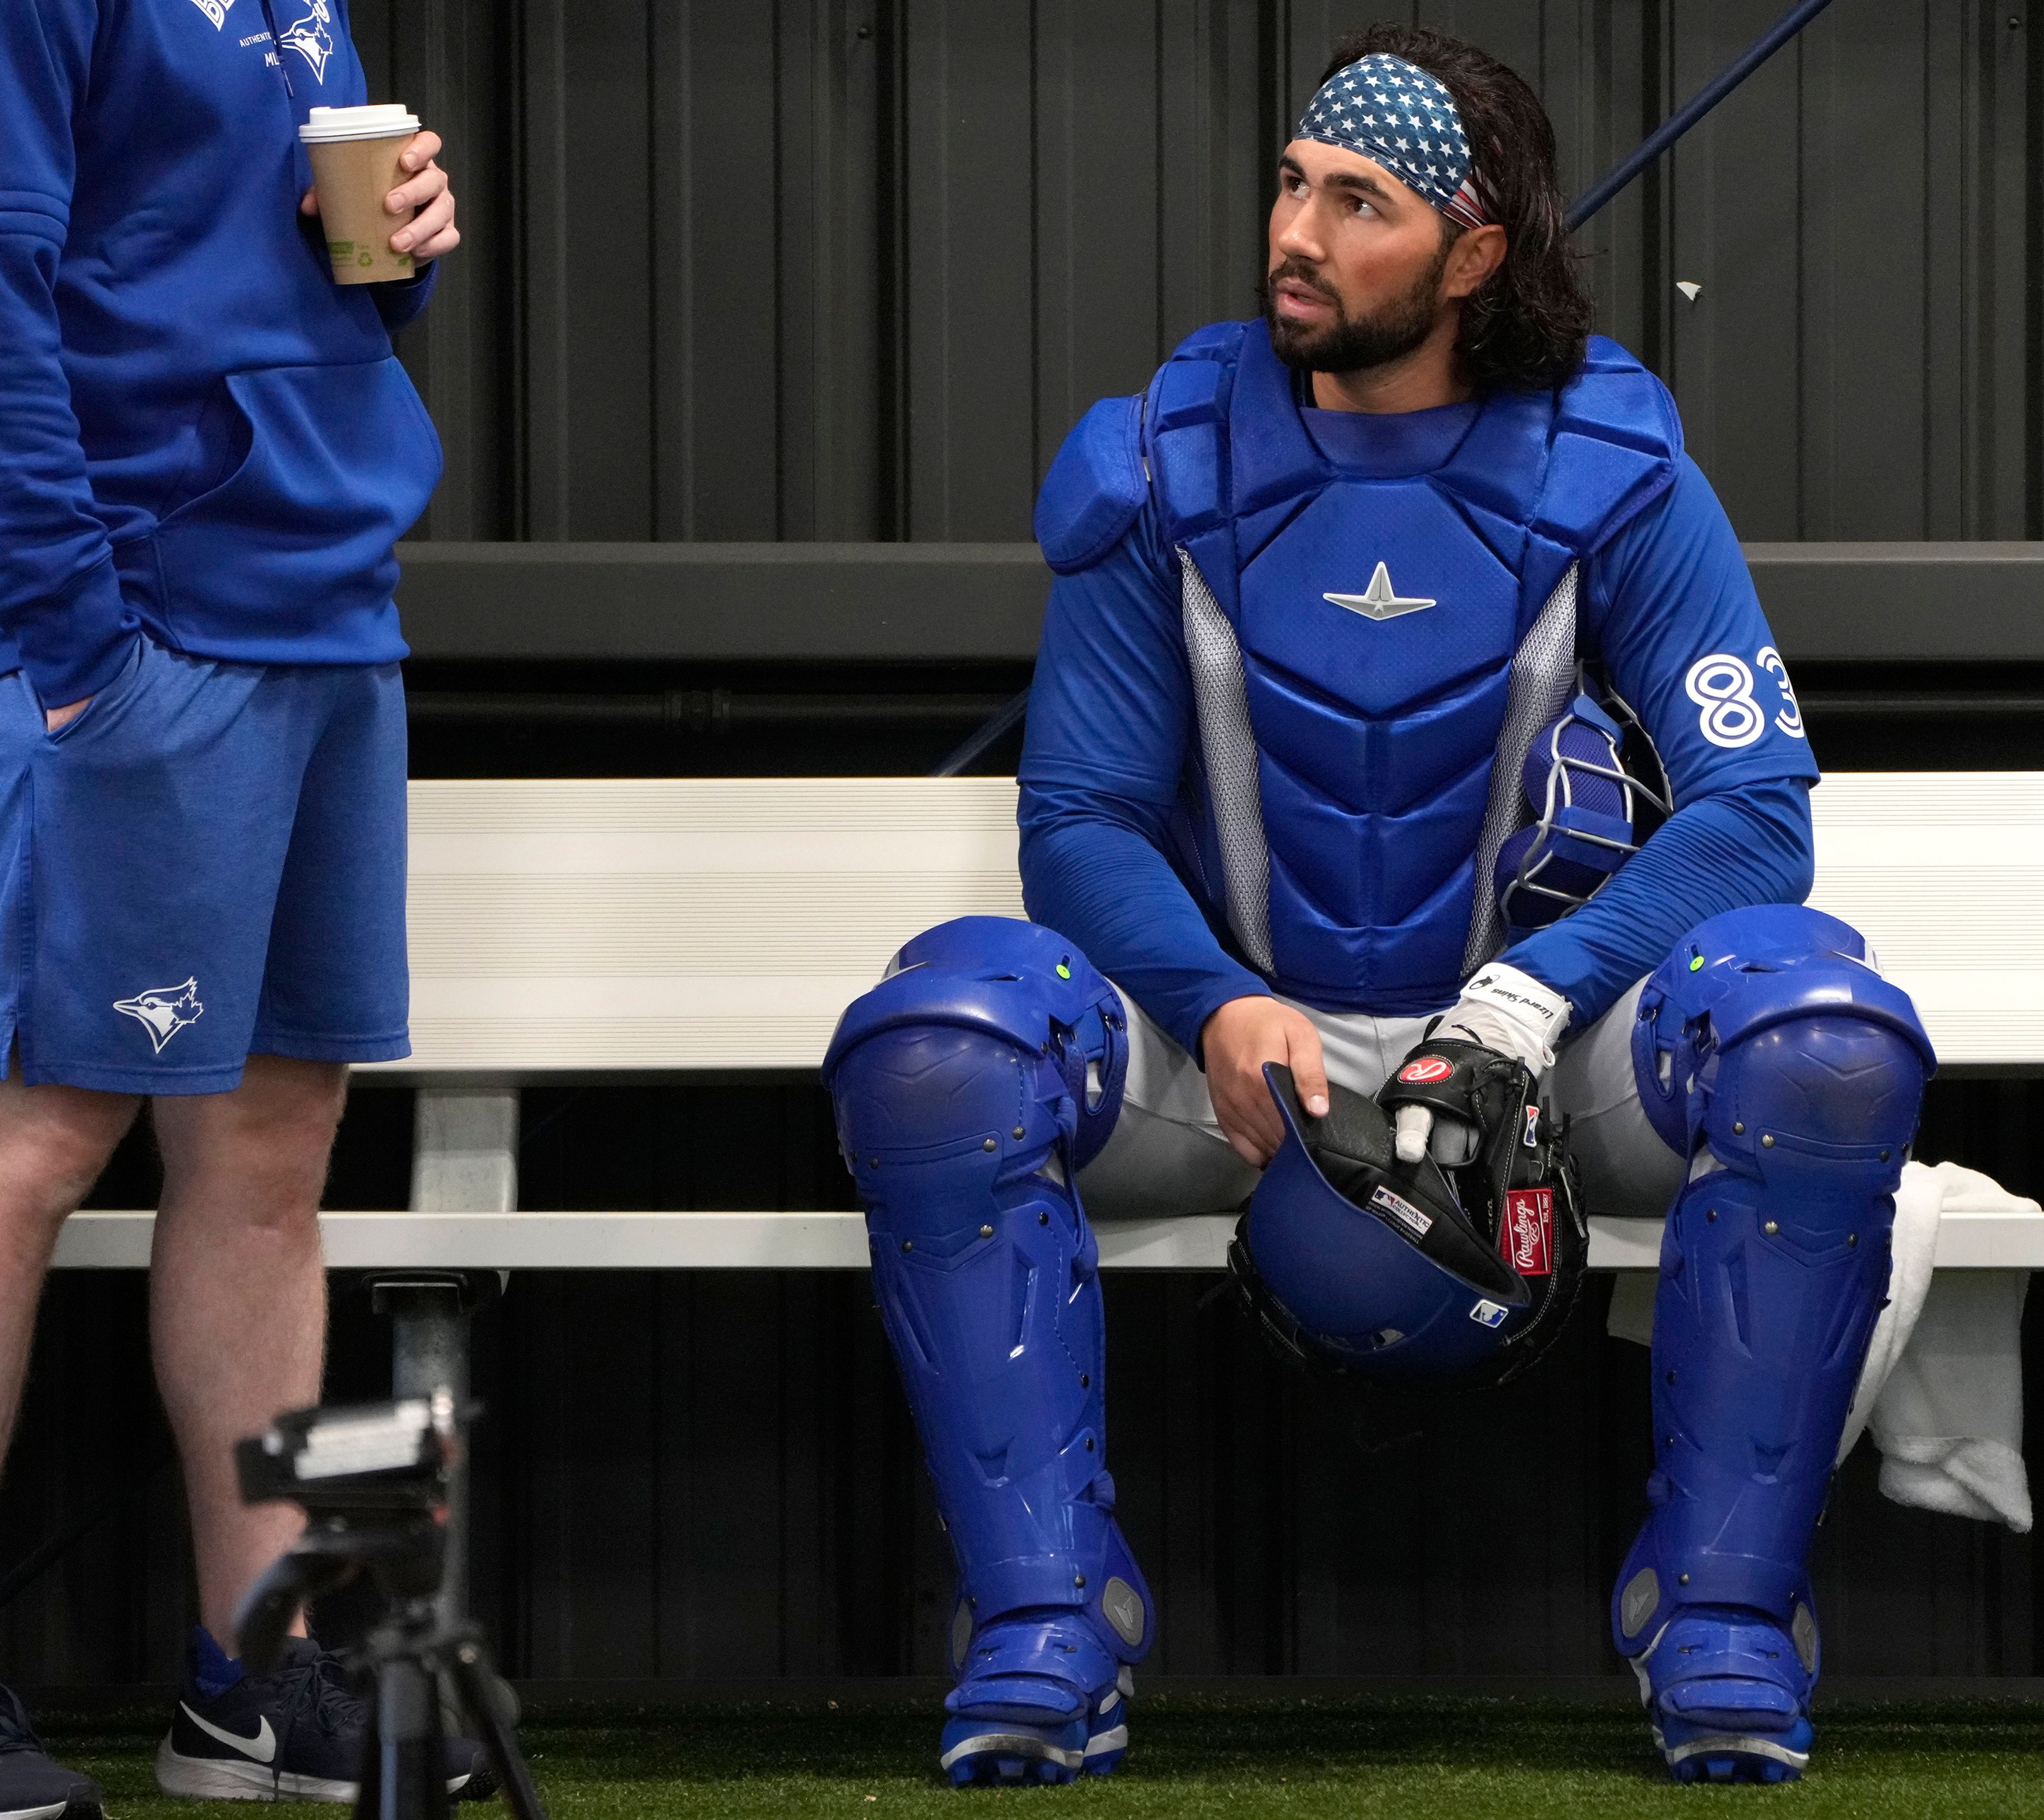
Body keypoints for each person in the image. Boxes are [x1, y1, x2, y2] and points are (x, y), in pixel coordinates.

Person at [822, 23, 1933, 1788]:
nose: (1299, 232)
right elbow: (1081, 822)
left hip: (1522, 1057)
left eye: (1360, 203)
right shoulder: (1166, 462)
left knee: (1822, 1045)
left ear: (1474, 256)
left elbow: (1757, 812)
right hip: (1244, 1055)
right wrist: (1211, 996)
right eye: (1291, 184)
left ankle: (1719, 1618)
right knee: (943, 1049)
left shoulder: (1609, 465)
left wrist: (1530, 999)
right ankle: (1046, 1624)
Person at [0, 1, 472, 1814]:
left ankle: (253, 1680)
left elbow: (242, 249)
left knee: (275, 1141)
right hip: (132, 617)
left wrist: (395, 252)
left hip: (326, 590)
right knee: (26, 1127)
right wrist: (69, 648)